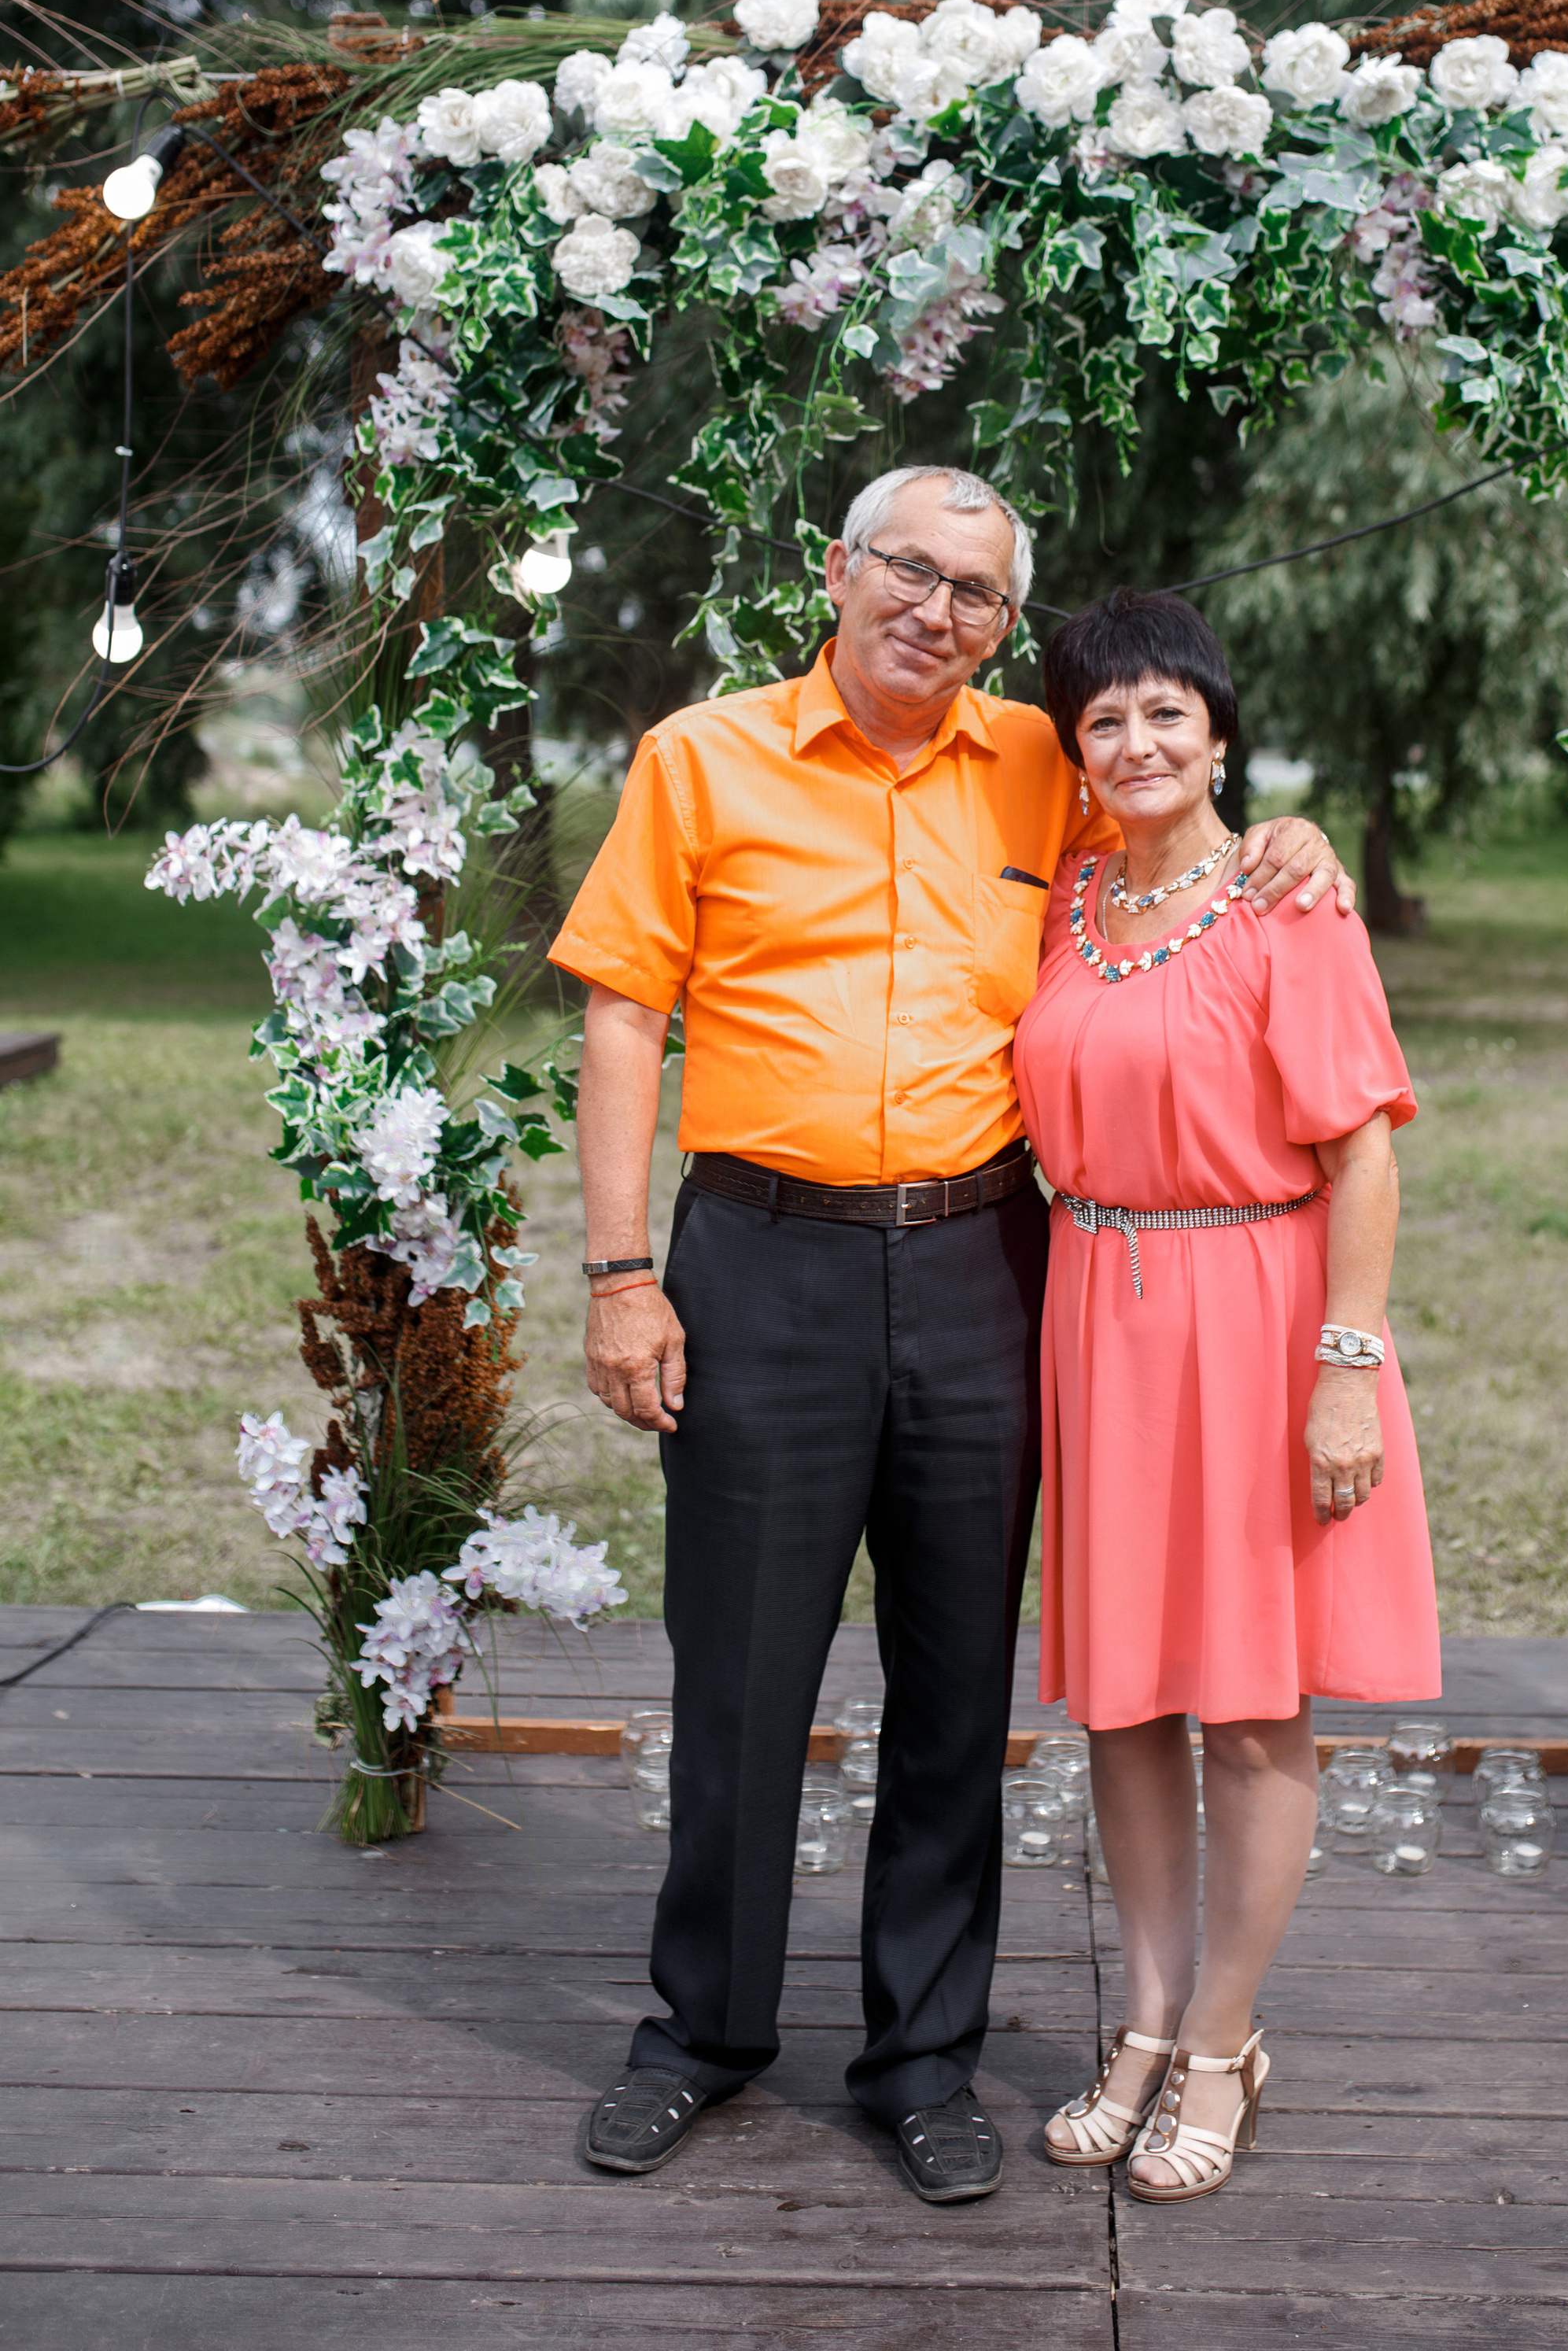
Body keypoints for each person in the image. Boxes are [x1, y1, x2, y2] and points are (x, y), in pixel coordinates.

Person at [546, 467, 1348, 2205]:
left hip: (992, 1262)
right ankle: (703, 2034)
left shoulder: (1039, 762)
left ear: (1003, 622)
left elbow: (1178, 838)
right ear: (835, 572)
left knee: (953, 1685)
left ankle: (922, 2056)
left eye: (978, 592)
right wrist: (620, 1272)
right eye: (909, 570)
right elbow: (624, 1016)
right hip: (759, 1258)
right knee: (742, 1676)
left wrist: (1295, 835)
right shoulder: (702, 757)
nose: (938, 609)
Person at [1012, 589, 1439, 2205]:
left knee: (1254, 1704)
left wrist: (1346, 1372)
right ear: (1076, 747)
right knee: (1125, 1696)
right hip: (1099, 1316)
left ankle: (1224, 2045)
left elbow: (1363, 1154)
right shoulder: (1058, 902)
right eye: (1103, 719)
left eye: (1163, 714)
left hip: (1262, 1315)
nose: (1133, 742)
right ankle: (1145, 2020)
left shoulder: (1287, 912)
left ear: (1217, 732)